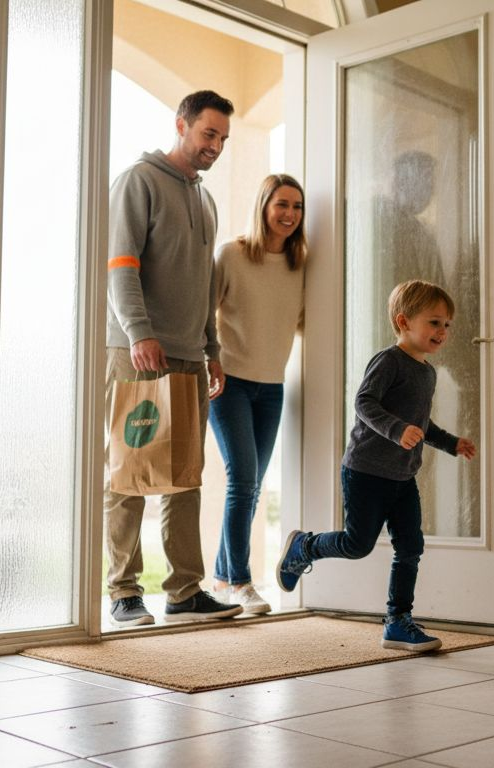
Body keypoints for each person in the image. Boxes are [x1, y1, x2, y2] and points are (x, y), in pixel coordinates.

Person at [275, 280, 477, 651]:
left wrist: (450, 444)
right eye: (434, 322)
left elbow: (423, 423)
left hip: (403, 476)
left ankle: (397, 621)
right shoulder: (389, 361)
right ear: (404, 321)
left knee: (411, 546)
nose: (443, 331)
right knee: (357, 544)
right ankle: (304, 547)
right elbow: (364, 403)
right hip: (366, 471)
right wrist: (397, 430)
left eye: (447, 324)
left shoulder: (427, 372)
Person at [104, 90, 241, 626]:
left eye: (223, 139)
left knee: (185, 475)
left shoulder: (205, 199)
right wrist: (139, 333)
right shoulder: (139, 181)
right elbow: (121, 264)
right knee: (130, 472)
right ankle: (122, 591)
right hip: (139, 352)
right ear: (181, 125)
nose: (216, 146)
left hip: (188, 353)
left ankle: (184, 592)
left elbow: (206, 285)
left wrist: (212, 349)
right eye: (209, 134)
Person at [208, 174, 308, 615]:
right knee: (242, 480)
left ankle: (222, 576)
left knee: (251, 488)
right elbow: (203, 312)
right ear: (264, 205)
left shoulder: (300, 265)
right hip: (228, 382)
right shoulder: (231, 255)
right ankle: (242, 584)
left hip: (273, 386)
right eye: (281, 204)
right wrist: (208, 359)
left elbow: (301, 319)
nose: (289, 214)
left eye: (297, 207)